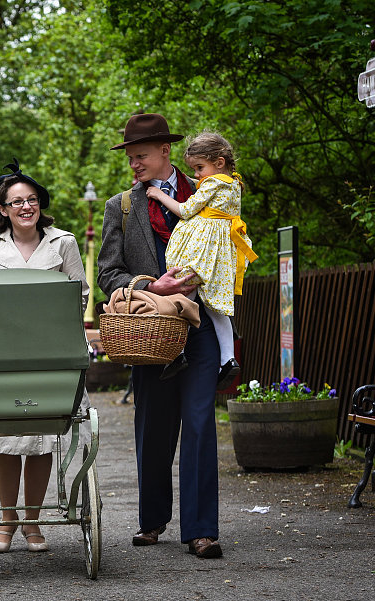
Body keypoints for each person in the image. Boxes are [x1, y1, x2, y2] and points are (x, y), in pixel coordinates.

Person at [97, 113, 223, 559]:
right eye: (130, 158)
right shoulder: (121, 206)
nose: (134, 164)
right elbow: (107, 274)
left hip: (202, 325)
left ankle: (202, 531)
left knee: (201, 422)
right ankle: (152, 521)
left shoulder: (211, 191)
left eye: (141, 156)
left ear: (166, 151)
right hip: (150, 329)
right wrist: (153, 286)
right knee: (153, 427)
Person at [0, 158, 89, 554]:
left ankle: (32, 522)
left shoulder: (63, 242)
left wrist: (51, 327)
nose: (26, 207)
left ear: (39, 204)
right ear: (3, 209)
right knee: (7, 438)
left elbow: (79, 294)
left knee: (43, 438)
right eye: (17, 202)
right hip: (0, 353)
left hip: (48, 352)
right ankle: (7, 520)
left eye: (32, 200)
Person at [144, 131, 257, 388]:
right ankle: (228, 359)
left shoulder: (213, 183)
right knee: (215, 307)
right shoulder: (234, 184)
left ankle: (177, 352)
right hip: (221, 256)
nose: (196, 175)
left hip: (203, 252)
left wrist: (159, 195)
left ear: (219, 162)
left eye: (199, 167)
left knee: (185, 298)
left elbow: (185, 210)